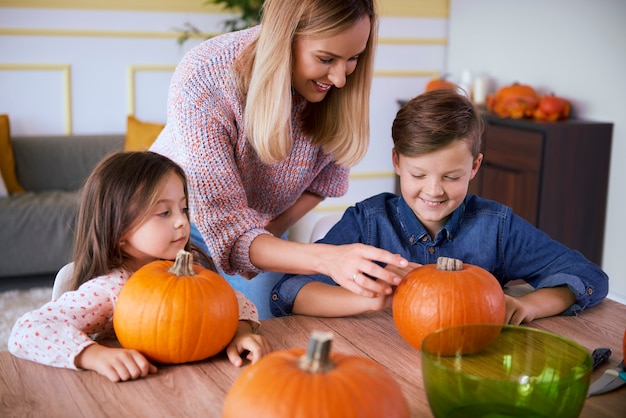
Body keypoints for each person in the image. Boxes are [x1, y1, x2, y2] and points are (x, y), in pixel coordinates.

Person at [150, 0, 408, 319]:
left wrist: (272, 230)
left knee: (273, 321)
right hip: (177, 228)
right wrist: (327, 258)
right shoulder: (206, 76)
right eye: (326, 59)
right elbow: (225, 226)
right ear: (285, 38)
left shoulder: (337, 87)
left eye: (353, 58)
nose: (341, 78)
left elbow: (322, 181)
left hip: (265, 230)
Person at [269, 89, 609, 324]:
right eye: (418, 174)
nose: (434, 191)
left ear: (474, 167)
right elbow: (289, 291)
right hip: (376, 359)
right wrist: (373, 300)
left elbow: (587, 276)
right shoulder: (368, 223)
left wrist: (526, 306)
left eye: (451, 176)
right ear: (397, 162)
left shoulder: (497, 228)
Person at [8, 151, 272, 383]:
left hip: (193, 382)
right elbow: (26, 332)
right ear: (120, 229)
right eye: (164, 213)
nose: (182, 221)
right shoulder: (112, 288)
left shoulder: (188, 267)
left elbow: (234, 302)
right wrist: (94, 355)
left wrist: (241, 333)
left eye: (183, 208)